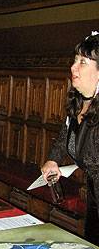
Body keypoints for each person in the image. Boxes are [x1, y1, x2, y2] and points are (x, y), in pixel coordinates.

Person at [41, 31, 99, 246]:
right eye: (75, 60)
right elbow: (65, 134)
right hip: (93, 193)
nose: (73, 67)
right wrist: (54, 159)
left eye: (83, 62)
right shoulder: (80, 102)